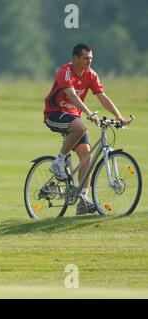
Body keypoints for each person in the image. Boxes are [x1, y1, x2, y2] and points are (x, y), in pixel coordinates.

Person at [44, 43, 130, 215]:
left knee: (87, 156)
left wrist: (119, 116)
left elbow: (102, 97)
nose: (89, 61)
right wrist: (89, 113)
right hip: (55, 114)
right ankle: (59, 161)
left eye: (90, 58)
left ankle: (83, 200)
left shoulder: (91, 75)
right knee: (80, 127)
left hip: (73, 117)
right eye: (85, 58)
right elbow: (72, 95)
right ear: (75, 58)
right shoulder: (64, 72)